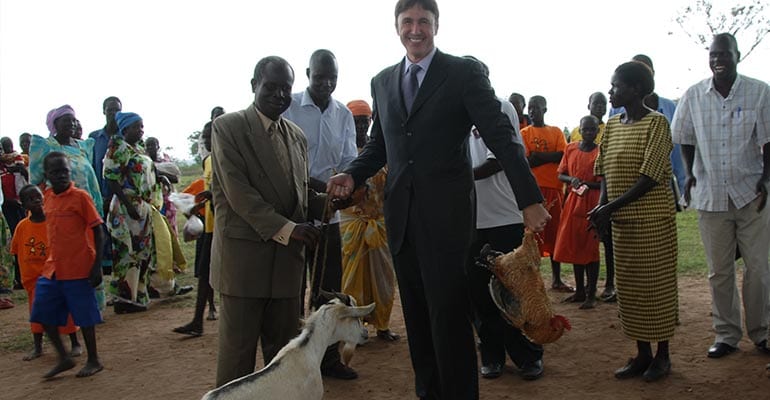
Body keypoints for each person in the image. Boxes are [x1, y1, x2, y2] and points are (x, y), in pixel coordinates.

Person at [326, 1, 550, 397]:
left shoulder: (462, 73)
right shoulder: (382, 81)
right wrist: (354, 173)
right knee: (416, 317)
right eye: (408, 22)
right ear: (396, 27)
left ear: (436, 26)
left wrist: (528, 200)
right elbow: (381, 144)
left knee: (448, 317)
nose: (416, 30)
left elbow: (501, 136)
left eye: (423, 22)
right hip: (402, 221)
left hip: (448, 222)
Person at [209, 56, 327, 387]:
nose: (279, 95)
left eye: (285, 88)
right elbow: (240, 196)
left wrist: (335, 199)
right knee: (238, 362)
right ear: (254, 86)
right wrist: (291, 230)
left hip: (287, 268)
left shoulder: (297, 136)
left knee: (283, 360)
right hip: (244, 266)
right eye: (270, 87)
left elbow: (300, 198)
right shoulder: (228, 128)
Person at [671, 33, 770, 358]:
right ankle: (726, 334)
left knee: (758, 267)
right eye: (714, 55)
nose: (718, 60)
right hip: (710, 194)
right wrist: (689, 174)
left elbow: (768, 141)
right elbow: (683, 136)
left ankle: (762, 332)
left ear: (737, 56)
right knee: (719, 269)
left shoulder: (760, 92)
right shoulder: (694, 95)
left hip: (752, 192)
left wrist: (767, 179)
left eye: (724, 54)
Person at [589, 61, 678, 382]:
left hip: (653, 223)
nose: (611, 91)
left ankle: (663, 355)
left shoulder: (657, 124)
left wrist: (609, 207)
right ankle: (642, 354)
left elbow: (650, 176)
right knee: (631, 291)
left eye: (616, 86)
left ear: (636, 89)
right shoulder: (611, 126)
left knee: (656, 288)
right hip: (623, 225)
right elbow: (605, 174)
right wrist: (601, 209)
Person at [465, 59, 544, 381]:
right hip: (469, 220)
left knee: (514, 290)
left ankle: (527, 356)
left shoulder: (502, 108)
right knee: (479, 293)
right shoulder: (455, 111)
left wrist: (457, 177)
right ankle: (492, 355)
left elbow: (500, 161)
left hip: (504, 215)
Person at [281, 49, 358, 380]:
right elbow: (284, 161)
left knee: (328, 292)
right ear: (308, 73)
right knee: (292, 292)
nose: (326, 84)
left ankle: (327, 360)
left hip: (331, 216)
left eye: (333, 78)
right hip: (295, 214)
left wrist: (342, 193)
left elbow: (350, 160)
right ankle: (291, 363)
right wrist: (325, 189)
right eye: (320, 77)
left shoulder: (342, 113)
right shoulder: (290, 106)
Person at [31, 151, 103, 378]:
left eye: (65, 171)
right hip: (53, 269)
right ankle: (64, 358)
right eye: (55, 172)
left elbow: (98, 231)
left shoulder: (80, 197)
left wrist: (96, 265)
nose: (61, 176)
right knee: (42, 313)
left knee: (86, 317)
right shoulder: (47, 197)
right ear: (47, 174)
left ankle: (94, 359)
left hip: (78, 268)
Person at [30, 105, 106, 310]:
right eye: (66, 120)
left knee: (89, 251)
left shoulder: (82, 147)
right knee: (67, 254)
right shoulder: (46, 147)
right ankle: (70, 307)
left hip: (87, 208)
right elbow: (35, 179)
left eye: (73, 120)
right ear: (54, 125)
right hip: (63, 211)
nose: (71, 124)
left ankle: (92, 305)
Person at [338, 99, 400, 342]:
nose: (361, 126)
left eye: (365, 121)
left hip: (380, 226)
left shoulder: (382, 152)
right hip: (351, 228)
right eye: (356, 122)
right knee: (352, 282)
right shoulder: (345, 153)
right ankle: (354, 329)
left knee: (383, 280)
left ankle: (382, 326)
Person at [11, 184, 81, 361]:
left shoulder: (53, 221)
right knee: (37, 314)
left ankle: (75, 343)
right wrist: (20, 275)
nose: (36, 201)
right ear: (23, 204)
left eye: (38, 196)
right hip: (33, 278)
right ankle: (38, 347)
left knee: (66, 311)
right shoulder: (22, 226)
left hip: (56, 275)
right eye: (30, 199)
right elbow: (16, 251)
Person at [104, 111, 161, 313]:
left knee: (142, 252)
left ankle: (137, 296)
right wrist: (128, 205)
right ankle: (123, 299)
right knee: (126, 253)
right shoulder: (118, 148)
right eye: (137, 126)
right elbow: (111, 178)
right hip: (126, 208)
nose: (141, 130)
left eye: (142, 126)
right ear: (125, 129)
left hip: (142, 207)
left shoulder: (138, 148)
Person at [609, 55, 684, 198]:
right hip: (620, 191)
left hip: (654, 195)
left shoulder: (665, 113)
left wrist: (682, 185)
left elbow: (676, 153)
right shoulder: (614, 118)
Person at [520, 95, 571, 292]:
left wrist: (538, 155)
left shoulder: (556, 131)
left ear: (545, 109)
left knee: (554, 233)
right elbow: (527, 161)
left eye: (537, 108)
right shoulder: (524, 132)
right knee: (532, 237)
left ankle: (557, 278)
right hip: (534, 191)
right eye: (530, 108)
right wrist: (547, 158)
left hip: (554, 189)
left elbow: (562, 155)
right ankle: (534, 281)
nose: (533, 111)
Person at [555, 116, 602, 309]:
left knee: (590, 248)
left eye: (592, 130)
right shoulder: (571, 148)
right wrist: (571, 179)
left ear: (597, 132)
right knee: (575, 245)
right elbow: (560, 173)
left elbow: (601, 181)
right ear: (580, 130)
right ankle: (580, 291)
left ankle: (591, 293)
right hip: (573, 201)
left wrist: (584, 183)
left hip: (591, 200)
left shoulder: (600, 152)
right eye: (586, 129)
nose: (589, 133)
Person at [174, 122, 216, 337]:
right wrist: (198, 206)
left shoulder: (229, 160)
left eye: (212, 136)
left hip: (227, 228)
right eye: (205, 137)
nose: (208, 141)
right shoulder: (208, 161)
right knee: (204, 273)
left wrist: (210, 198)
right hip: (210, 226)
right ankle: (198, 320)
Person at [89, 96, 122, 279]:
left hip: (121, 196)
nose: (113, 114)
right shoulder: (95, 138)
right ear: (104, 111)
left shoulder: (126, 136)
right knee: (102, 237)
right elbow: (93, 167)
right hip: (100, 196)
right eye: (110, 110)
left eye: (117, 110)